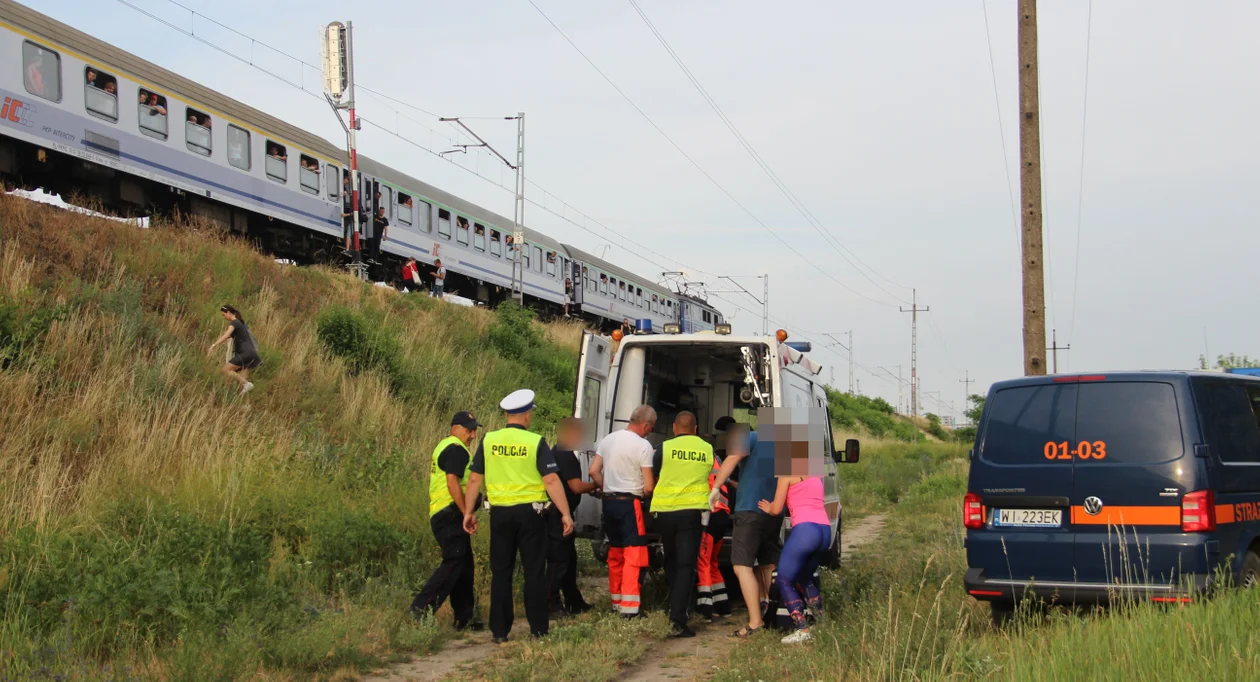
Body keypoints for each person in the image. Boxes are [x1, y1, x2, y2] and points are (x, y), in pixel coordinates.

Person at [462, 390, 574, 643]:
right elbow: (551, 479)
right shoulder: (535, 442)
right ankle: (538, 630)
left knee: (501, 571)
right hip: (531, 515)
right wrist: (565, 513)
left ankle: (500, 631)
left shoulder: (489, 440)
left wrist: (469, 512)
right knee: (534, 571)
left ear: (506, 415)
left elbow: (474, 479)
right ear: (526, 414)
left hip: (500, 514)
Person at [410, 411, 484, 631]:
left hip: (444, 514)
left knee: (464, 566)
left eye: (474, 431)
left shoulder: (445, 446)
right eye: (469, 430)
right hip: (450, 514)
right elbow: (452, 483)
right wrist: (466, 512)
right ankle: (420, 609)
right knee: (454, 562)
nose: (472, 435)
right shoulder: (456, 449)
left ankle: (465, 618)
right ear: (455, 428)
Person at [709, 419, 780, 638]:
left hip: (749, 511)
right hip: (772, 511)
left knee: (741, 566)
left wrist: (716, 487)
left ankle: (755, 622)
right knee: (766, 564)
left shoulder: (752, 437)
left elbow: (732, 458)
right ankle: (770, 610)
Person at [588, 405, 656, 618]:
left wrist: (606, 487)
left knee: (615, 553)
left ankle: (616, 602)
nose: (649, 432)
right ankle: (630, 608)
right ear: (645, 425)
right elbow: (649, 487)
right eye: (650, 428)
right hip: (630, 504)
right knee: (633, 554)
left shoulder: (608, 440)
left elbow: (593, 471)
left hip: (609, 503)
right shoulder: (643, 446)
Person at [650, 411, 712, 638]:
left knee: (672, 560)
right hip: (691, 513)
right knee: (687, 565)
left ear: (675, 427)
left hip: (665, 513)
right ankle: (678, 617)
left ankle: (674, 606)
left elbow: (654, 474)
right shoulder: (707, 449)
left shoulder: (663, 448)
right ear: (695, 429)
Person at [759, 472, 830, 644]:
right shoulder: (816, 474)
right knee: (805, 577)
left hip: (806, 531)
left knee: (784, 580)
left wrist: (769, 508)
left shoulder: (787, 475)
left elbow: (776, 509)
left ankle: (802, 629)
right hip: (825, 530)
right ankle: (820, 625)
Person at [547, 417, 597, 615]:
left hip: (559, 514)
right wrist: (596, 485)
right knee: (559, 561)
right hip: (558, 516)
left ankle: (574, 601)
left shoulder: (556, 451)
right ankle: (551, 604)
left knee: (568, 560)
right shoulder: (564, 454)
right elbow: (575, 487)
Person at [696, 444, 732, 622]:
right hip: (722, 516)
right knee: (713, 563)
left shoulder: (701, 462)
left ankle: (705, 611)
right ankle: (723, 607)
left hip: (709, 517)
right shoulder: (717, 460)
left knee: (703, 562)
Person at [207, 305, 260, 395]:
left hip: (245, 353)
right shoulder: (241, 324)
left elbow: (226, 335)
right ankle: (246, 405)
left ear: (228, 312)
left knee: (225, 370)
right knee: (242, 384)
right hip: (251, 353)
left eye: (224, 315)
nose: (224, 317)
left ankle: (247, 384)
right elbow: (230, 338)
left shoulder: (234, 322)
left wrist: (214, 345)